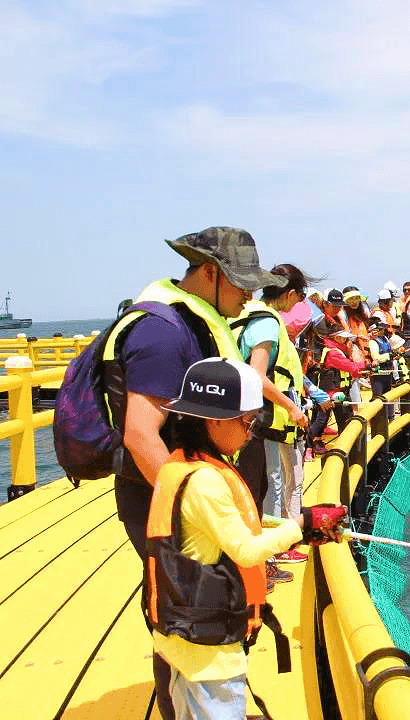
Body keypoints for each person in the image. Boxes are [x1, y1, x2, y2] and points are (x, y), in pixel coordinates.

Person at [104, 226, 284, 720]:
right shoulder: (163, 332)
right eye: (242, 282)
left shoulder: (197, 321)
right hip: (171, 503)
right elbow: (141, 433)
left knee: (191, 612)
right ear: (209, 273)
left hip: (189, 494)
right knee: (185, 613)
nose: (250, 294)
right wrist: (194, 508)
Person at [147, 357, 346, 720]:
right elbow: (246, 549)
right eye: (247, 420)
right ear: (215, 421)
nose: (250, 431)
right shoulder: (206, 481)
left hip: (181, 640)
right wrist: (301, 523)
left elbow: (228, 524)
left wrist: (293, 528)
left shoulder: (180, 465)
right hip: (208, 654)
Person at [230, 263, 315, 572]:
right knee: (268, 487)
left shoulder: (247, 313)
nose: (298, 303)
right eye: (300, 296)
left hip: (245, 418)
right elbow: (258, 375)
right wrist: (291, 407)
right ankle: (271, 554)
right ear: (289, 293)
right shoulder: (267, 323)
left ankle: (267, 554)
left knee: (263, 485)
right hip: (263, 419)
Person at [367, 317, 397, 420]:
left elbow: (390, 350)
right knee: (378, 395)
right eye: (381, 329)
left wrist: (395, 355)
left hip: (388, 371)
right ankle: (379, 419)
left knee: (388, 393)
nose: (383, 331)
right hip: (378, 373)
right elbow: (376, 357)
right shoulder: (372, 342)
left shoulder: (385, 338)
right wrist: (389, 356)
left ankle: (390, 416)